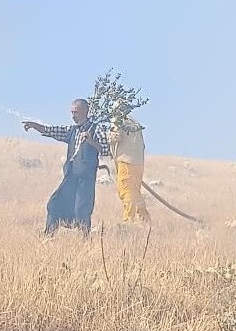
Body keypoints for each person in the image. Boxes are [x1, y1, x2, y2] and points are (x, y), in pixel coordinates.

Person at [23, 99, 111, 235]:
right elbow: (51, 131)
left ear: (85, 111)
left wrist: (90, 140)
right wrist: (35, 125)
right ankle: (48, 235)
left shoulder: (96, 129)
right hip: (70, 177)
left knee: (82, 209)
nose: (73, 115)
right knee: (55, 204)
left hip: (85, 180)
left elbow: (105, 150)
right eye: (72, 112)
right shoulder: (72, 130)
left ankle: (85, 240)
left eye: (76, 112)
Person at [110, 117, 150, 224]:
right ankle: (144, 220)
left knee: (126, 192)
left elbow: (115, 137)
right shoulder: (134, 122)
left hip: (126, 161)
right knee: (135, 192)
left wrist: (104, 137)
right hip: (138, 162)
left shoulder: (117, 119)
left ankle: (128, 221)